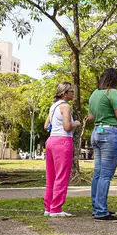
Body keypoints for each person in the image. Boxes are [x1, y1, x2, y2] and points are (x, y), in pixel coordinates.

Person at [88, 68, 117, 222]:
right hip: (110, 133)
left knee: (98, 173)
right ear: (115, 80)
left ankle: (96, 206)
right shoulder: (112, 93)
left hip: (96, 132)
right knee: (106, 175)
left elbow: (91, 117)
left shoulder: (94, 94)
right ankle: (101, 211)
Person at [44, 82, 79, 217]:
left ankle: (48, 207)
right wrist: (75, 123)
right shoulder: (65, 106)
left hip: (51, 141)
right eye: (71, 91)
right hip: (63, 141)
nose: (73, 93)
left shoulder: (53, 107)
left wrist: (55, 126)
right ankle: (56, 208)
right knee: (62, 176)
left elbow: (46, 126)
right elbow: (67, 127)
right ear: (65, 93)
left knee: (51, 176)